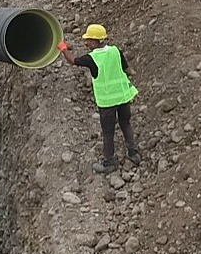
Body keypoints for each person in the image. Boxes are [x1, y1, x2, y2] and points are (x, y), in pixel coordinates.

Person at [58, 23, 142, 174]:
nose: (86, 42)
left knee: (108, 132)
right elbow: (127, 70)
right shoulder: (115, 50)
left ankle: (109, 162)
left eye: (88, 40)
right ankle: (134, 153)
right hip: (123, 97)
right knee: (126, 124)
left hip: (107, 102)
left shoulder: (92, 58)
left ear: (95, 41)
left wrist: (63, 49)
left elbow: (73, 61)